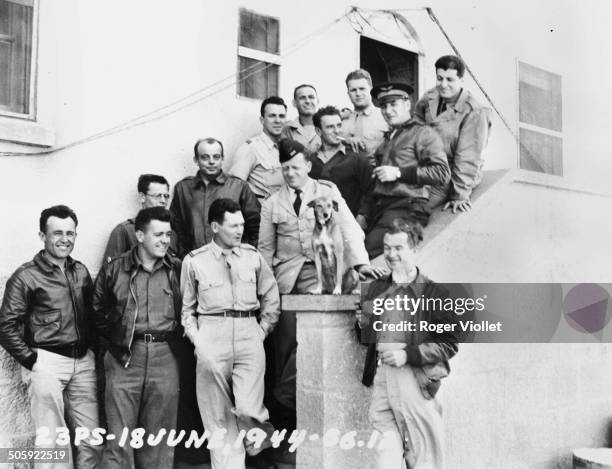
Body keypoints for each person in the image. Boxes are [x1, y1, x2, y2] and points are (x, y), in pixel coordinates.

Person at [258, 139, 385, 461]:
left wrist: (360, 265)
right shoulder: (272, 203)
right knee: (286, 354)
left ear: (308, 167)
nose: (290, 173)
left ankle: (306, 429)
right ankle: (289, 438)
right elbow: (265, 251)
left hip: (322, 278)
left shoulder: (326, 192)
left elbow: (348, 229)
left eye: (296, 167)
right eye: (285, 168)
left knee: (307, 355)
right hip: (286, 285)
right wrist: (265, 292)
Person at [181, 198, 280, 469]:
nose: (239, 230)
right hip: (211, 333)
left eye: (242, 225)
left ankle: (260, 439)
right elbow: (187, 311)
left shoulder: (252, 256)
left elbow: (271, 296)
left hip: (249, 331)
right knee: (218, 421)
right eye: (233, 225)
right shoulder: (194, 261)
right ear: (215, 226)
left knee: (249, 409)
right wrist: (199, 342)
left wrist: (261, 331)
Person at [0, 205, 100, 469]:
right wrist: (33, 361)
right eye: (57, 233)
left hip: (82, 363)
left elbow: (91, 315)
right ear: (42, 236)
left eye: (70, 233)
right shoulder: (26, 276)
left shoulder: (80, 271)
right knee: (52, 442)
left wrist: (91, 352)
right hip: (46, 363)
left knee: (91, 439)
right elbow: (6, 326)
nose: (64, 239)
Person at [359, 220, 459, 469]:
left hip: (416, 379)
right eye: (386, 248)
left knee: (424, 459)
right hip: (383, 379)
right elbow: (367, 337)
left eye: (398, 248)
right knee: (385, 457)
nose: (391, 255)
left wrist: (408, 354)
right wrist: (362, 323)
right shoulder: (376, 288)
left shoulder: (435, 293)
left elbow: (449, 342)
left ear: (414, 248)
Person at [93, 207, 185, 469]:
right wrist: (118, 341)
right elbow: (98, 311)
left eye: (168, 234)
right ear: (140, 235)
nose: (165, 240)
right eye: (158, 234)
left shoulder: (177, 268)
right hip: (125, 356)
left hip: (165, 355)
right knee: (119, 437)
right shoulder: (115, 269)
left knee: (159, 437)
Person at [360, 82, 450, 259]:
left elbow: (442, 173)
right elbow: (375, 182)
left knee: (364, 254)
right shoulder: (387, 140)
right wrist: (363, 213)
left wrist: (399, 173)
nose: (388, 110)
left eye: (394, 104)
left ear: (407, 105)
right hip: (382, 210)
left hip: (408, 209)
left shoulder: (423, 133)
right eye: (384, 106)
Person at [413, 55, 491, 213]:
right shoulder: (430, 97)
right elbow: (416, 122)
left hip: (448, 174)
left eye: (450, 79)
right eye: (439, 78)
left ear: (462, 80)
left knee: (413, 208)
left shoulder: (475, 112)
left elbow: (468, 157)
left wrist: (459, 195)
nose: (443, 85)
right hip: (424, 167)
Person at [170, 137, 260, 258]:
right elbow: (175, 227)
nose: (211, 162)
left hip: (232, 261)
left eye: (216, 157)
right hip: (196, 262)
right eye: (205, 157)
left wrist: (244, 256)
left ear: (222, 159)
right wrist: (183, 256)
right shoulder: (183, 189)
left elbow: (255, 225)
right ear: (196, 160)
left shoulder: (239, 187)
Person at [310, 105, 373, 217]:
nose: (337, 131)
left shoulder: (357, 159)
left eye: (339, 125)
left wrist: (363, 215)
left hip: (349, 223)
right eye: (330, 127)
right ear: (318, 131)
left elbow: (371, 191)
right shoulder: (309, 161)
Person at [102, 174, 177, 263]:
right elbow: (111, 272)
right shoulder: (124, 231)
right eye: (158, 196)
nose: (163, 201)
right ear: (142, 197)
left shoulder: (172, 232)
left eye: (166, 196)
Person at [227, 96, 287, 199]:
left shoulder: (287, 148)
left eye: (281, 116)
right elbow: (234, 188)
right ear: (262, 120)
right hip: (261, 211)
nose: (277, 120)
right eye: (272, 116)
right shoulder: (251, 148)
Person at [341, 69, 389, 164]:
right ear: (348, 93)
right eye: (353, 90)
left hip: (374, 172)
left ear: (371, 89)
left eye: (362, 89)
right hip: (346, 173)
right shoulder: (341, 119)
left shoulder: (385, 116)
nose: (358, 94)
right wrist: (345, 141)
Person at [280, 84, 322, 155]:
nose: (307, 101)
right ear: (294, 103)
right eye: (302, 98)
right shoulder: (285, 130)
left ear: (317, 101)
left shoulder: (329, 126)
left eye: (311, 97)